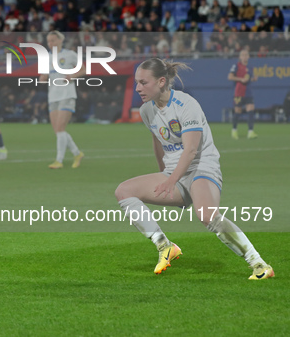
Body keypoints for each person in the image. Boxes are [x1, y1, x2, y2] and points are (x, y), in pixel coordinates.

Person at [115, 58, 273, 280]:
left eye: (143, 82)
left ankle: (258, 263)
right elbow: (157, 142)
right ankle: (164, 246)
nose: (138, 88)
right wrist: (164, 173)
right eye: (137, 83)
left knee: (207, 215)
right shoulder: (146, 111)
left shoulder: (186, 104)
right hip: (174, 173)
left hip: (202, 169)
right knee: (124, 191)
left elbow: (190, 151)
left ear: (161, 82)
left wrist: (170, 182)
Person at [39, 31, 84, 169]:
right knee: (58, 131)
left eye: (53, 40)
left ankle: (59, 160)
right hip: (53, 96)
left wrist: (73, 76)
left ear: (60, 40)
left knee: (60, 129)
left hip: (67, 94)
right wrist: (42, 78)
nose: (50, 43)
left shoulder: (70, 54)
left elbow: (83, 70)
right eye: (48, 41)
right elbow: (44, 75)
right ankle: (77, 153)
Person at [228, 49, 257, 139]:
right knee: (238, 111)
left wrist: (253, 79)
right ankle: (234, 130)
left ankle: (250, 132)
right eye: (243, 55)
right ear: (240, 57)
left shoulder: (250, 67)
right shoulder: (236, 66)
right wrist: (241, 79)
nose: (244, 56)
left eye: (246, 54)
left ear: (248, 56)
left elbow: (248, 78)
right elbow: (230, 77)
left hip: (248, 92)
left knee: (251, 110)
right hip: (238, 93)